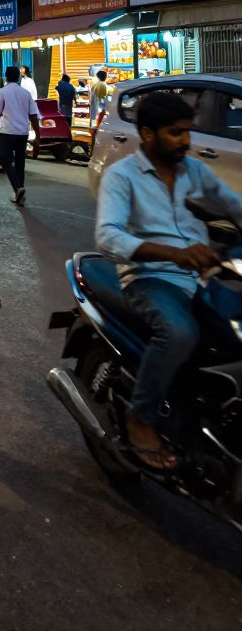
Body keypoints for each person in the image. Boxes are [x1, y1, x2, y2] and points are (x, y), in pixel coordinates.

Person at [95, 91, 242, 470]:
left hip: (202, 277)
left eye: (187, 132)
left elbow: (232, 204)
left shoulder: (194, 171)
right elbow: (108, 237)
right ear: (147, 133)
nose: (186, 141)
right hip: (149, 279)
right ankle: (140, 418)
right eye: (175, 133)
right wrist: (174, 253)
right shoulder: (121, 176)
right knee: (180, 334)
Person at [0, 65, 41, 206]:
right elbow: (34, 116)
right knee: (20, 163)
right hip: (22, 132)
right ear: (18, 77)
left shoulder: (2, 92)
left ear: (5, 77)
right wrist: (37, 135)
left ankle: (18, 188)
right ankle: (20, 193)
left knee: (5, 161)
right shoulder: (26, 93)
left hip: (6, 132)